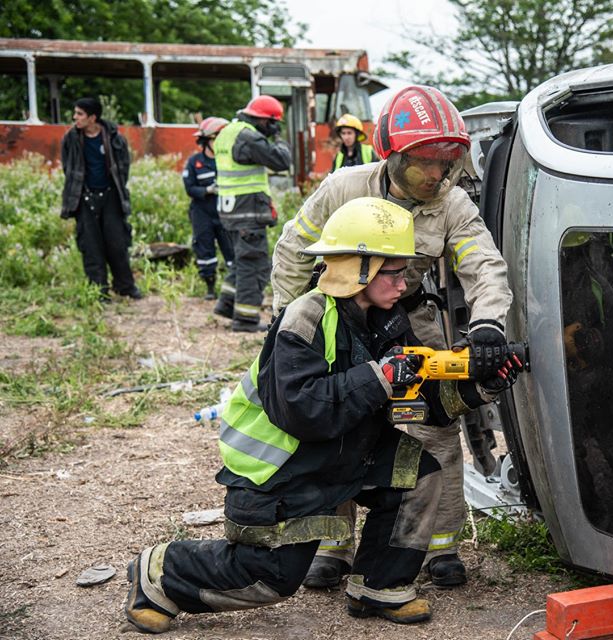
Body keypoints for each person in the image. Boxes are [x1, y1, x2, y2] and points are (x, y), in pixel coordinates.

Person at [123, 197, 522, 633]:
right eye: (393, 272)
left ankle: (378, 585)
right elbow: (302, 410)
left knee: (417, 472)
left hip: (340, 454)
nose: (403, 283)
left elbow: (423, 402)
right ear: (357, 269)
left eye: (405, 271)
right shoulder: (306, 317)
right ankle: (159, 574)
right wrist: (380, 376)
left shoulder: (387, 320)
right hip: (279, 470)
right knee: (270, 578)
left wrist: (481, 385)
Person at [271, 85, 513, 589]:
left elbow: (483, 266)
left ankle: (439, 548)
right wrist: (287, 327)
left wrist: (488, 323)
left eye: (445, 163)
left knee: (433, 424)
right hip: (342, 314)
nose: (434, 174)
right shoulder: (344, 187)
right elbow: (294, 250)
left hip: (409, 316)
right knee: (336, 424)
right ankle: (333, 548)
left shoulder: (452, 204)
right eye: (423, 162)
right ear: (392, 155)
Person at [212, 95, 291, 332]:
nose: (271, 128)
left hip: (230, 211)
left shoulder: (227, 131)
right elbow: (281, 160)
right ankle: (245, 319)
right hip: (247, 212)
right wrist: (278, 137)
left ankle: (226, 304)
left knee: (241, 260)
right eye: (272, 124)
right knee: (253, 264)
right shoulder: (248, 136)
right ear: (265, 121)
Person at [59, 96, 142, 301]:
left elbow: (123, 168)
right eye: (75, 113)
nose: (74, 117)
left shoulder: (114, 137)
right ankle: (99, 291)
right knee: (91, 246)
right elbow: (68, 168)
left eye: (80, 114)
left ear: (93, 117)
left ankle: (125, 287)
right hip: (84, 197)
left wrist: (115, 190)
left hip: (110, 196)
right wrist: (79, 192)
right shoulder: (71, 138)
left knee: (117, 243)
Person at [182, 116, 234, 300]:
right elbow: (189, 188)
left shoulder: (227, 160)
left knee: (231, 250)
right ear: (208, 140)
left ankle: (231, 289)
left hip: (225, 212)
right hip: (201, 212)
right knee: (204, 250)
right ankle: (210, 287)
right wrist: (207, 190)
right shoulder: (194, 162)